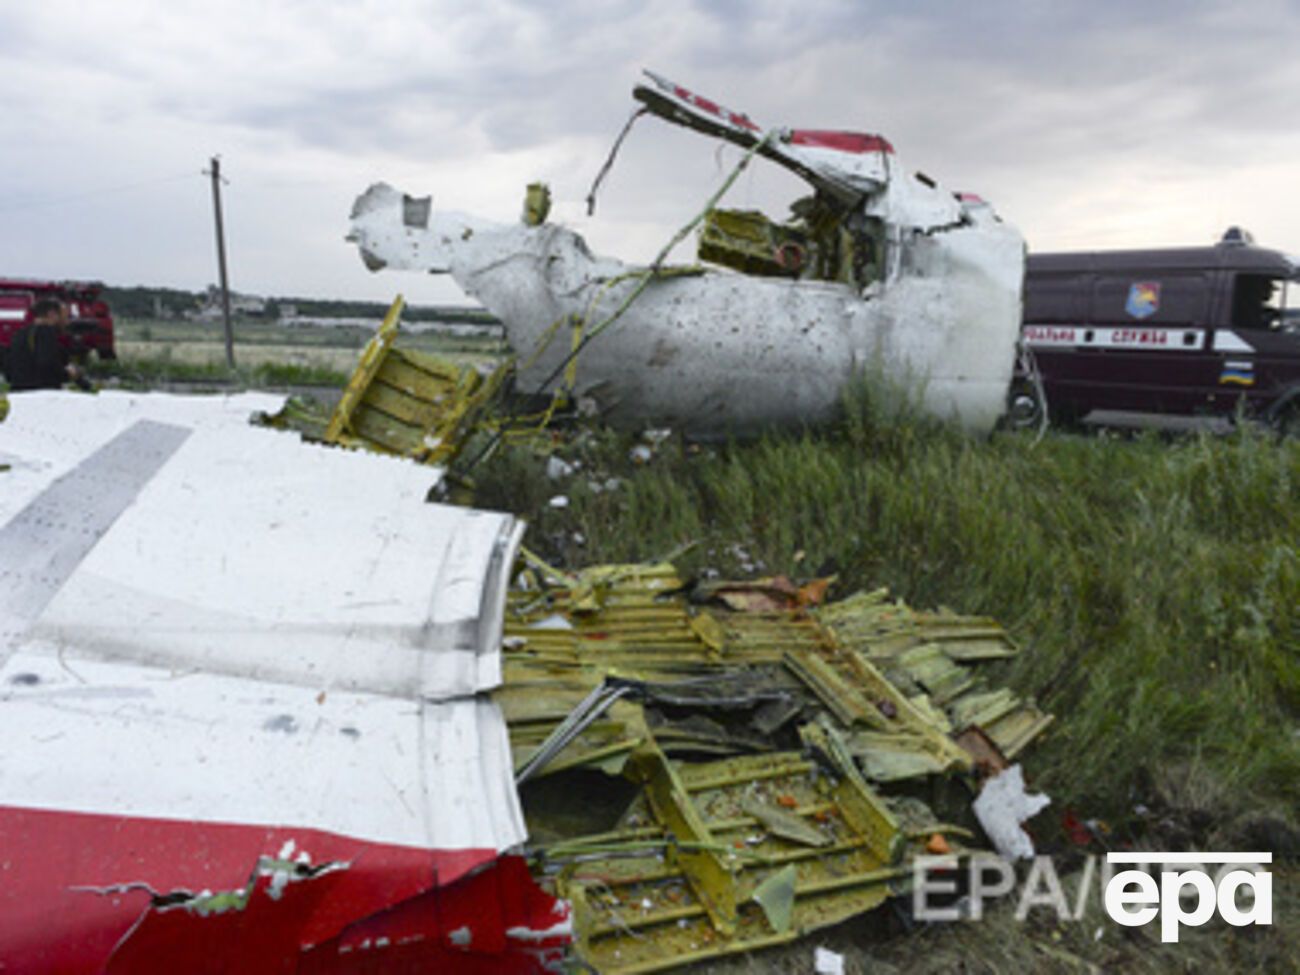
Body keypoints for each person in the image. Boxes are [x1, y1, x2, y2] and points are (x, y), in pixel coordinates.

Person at [5, 298, 86, 391]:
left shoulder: (19, 334)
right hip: (41, 395)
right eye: (65, 317)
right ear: (52, 314)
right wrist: (68, 374)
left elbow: (8, 368)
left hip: (17, 393)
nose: (67, 322)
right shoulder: (46, 333)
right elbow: (47, 365)